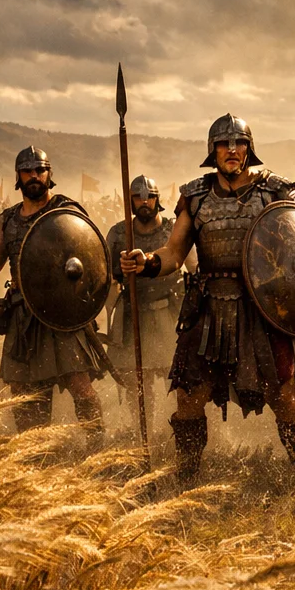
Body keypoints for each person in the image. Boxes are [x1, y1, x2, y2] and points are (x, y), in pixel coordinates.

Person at [120, 115, 295, 483]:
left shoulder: (276, 190)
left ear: (249, 150)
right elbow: (174, 254)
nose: (232, 150)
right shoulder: (195, 195)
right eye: (224, 144)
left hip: (261, 310)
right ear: (213, 150)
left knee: (286, 397)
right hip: (209, 307)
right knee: (190, 396)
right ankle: (188, 476)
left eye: (239, 143)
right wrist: (146, 262)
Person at [0, 146, 106, 443]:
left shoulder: (67, 211)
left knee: (81, 385)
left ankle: (97, 446)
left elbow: (91, 260)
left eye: (39, 170)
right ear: (18, 177)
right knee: (24, 393)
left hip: (62, 311)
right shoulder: (8, 220)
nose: (34, 176)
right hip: (23, 315)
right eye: (27, 171)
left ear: (49, 175)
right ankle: (35, 453)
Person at [104, 175, 183, 422]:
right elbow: (105, 274)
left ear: (158, 200)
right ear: (131, 202)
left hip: (168, 313)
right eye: (139, 197)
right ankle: (145, 434)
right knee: (137, 382)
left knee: (180, 378)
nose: (145, 202)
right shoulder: (118, 234)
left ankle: (180, 430)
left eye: (149, 197)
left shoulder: (172, 229)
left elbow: (192, 266)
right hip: (133, 315)